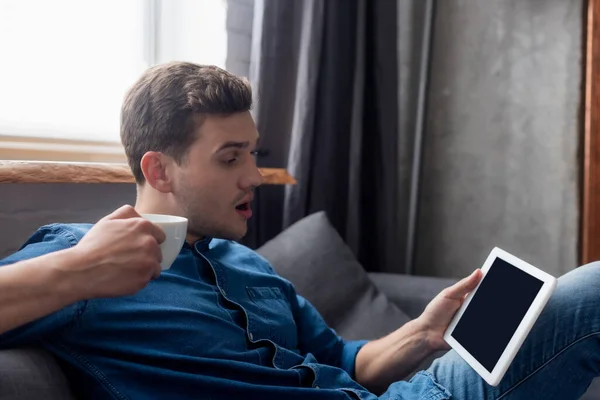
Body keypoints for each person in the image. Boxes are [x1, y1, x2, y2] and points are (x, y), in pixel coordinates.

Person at [0, 62, 598, 400]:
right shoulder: (80, 261)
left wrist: (421, 334)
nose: (256, 176)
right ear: (159, 168)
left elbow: (341, 360)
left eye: (253, 154)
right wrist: (75, 270)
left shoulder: (248, 266)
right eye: (230, 157)